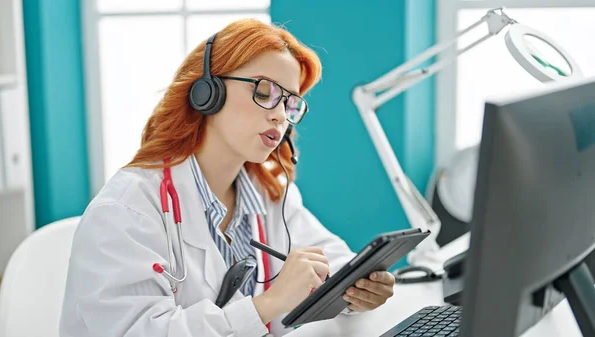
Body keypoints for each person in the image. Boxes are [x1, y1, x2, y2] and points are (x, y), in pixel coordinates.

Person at [60, 19, 395, 337]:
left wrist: (357, 290)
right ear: (207, 92)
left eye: (290, 102)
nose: (280, 115)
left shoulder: (271, 195)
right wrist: (269, 304)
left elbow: (328, 260)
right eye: (265, 91)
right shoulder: (125, 211)